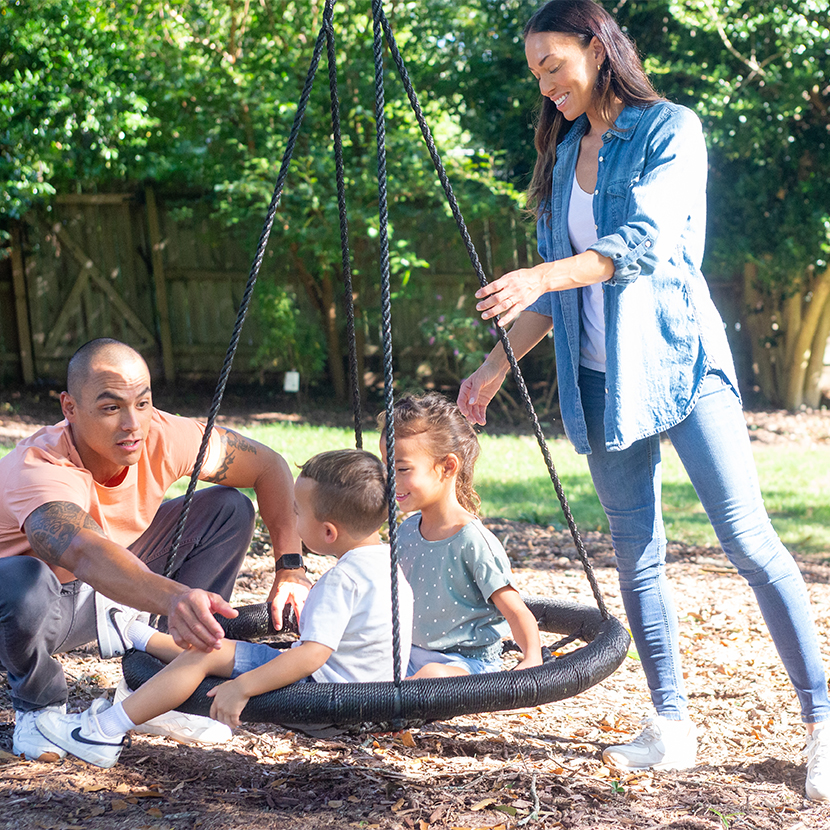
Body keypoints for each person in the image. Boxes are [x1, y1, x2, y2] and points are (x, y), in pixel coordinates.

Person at [456, 0, 830, 801]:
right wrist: (491, 370)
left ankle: (823, 720)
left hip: (680, 367)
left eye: (555, 65)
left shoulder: (670, 130)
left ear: (597, 48)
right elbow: (556, 291)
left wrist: (542, 274)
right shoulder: (564, 157)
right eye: (537, 73)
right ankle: (672, 724)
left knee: (747, 540)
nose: (547, 85)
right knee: (638, 558)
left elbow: (644, 244)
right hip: (602, 384)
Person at [0, 338, 311, 761]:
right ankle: (38, 711)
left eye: (142, 403)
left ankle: (162, 688)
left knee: (227, 509)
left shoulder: (162, 434)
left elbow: (269, 466)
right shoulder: (39, 466)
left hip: (108, 592)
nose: (133, 424)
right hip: (27, 614)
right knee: (22, 578)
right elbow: (81, 552)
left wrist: (289, 568)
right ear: (69, 408)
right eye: (110, 408)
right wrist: (175, 597)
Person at [34, 449, 414, 768]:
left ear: (329, 532)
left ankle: (102, 731)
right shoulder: (390, 566)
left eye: (297, 512)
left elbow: (311, 656)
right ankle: (138, 634)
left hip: (323, 696)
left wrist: (241, 688)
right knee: (218, 648)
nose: (292, 519)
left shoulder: (341, 580)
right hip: (366, 691)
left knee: (203, 656)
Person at [378, 392, 542, 678]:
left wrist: (531, 658)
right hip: (411, 654)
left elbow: (515, 610)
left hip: (466, 664)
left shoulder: (472, 540)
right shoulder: (406, 531)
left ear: (448, 467)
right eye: (385, 465)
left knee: (433, 677)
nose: (390, 478)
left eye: (402, 469)